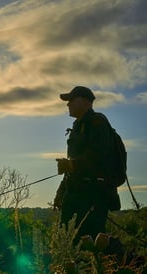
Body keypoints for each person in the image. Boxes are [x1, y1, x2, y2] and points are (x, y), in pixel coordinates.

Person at [54, 86, 116, 242]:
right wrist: (61, 192)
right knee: (68, 241)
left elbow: (98, 154)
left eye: (71, 100)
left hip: (93, 193)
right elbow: (73, 164)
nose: (68, 105)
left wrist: (72, 165)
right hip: (74, 192)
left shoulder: (97, 122)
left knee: (90, 244)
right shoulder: (78, 126)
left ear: (84, 101)